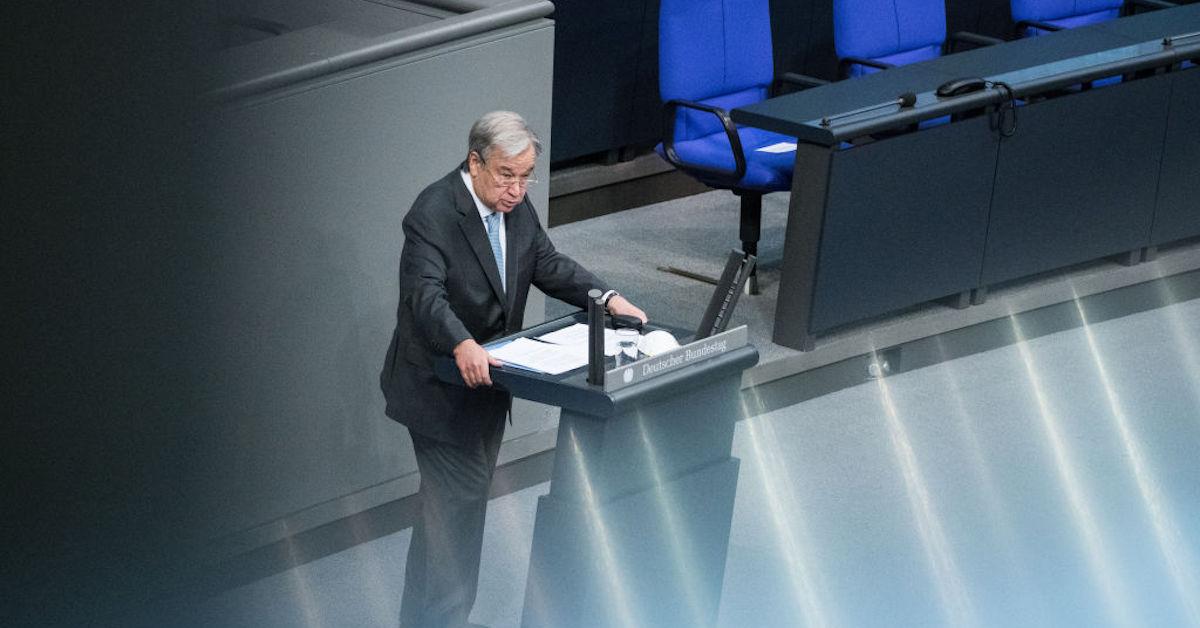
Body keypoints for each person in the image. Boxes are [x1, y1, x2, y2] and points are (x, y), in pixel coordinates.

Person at [379, 111, 646, 628]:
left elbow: (546, 262)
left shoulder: (515, 207)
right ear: (475, 161)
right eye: (506, 175)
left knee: (449, 513)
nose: (517, 189)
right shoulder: (433, 212)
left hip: (487, 387)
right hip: (437, 390)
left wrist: (607, 296)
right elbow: (425, 297)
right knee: (456, 514)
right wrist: (462, 342)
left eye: (526, 177)